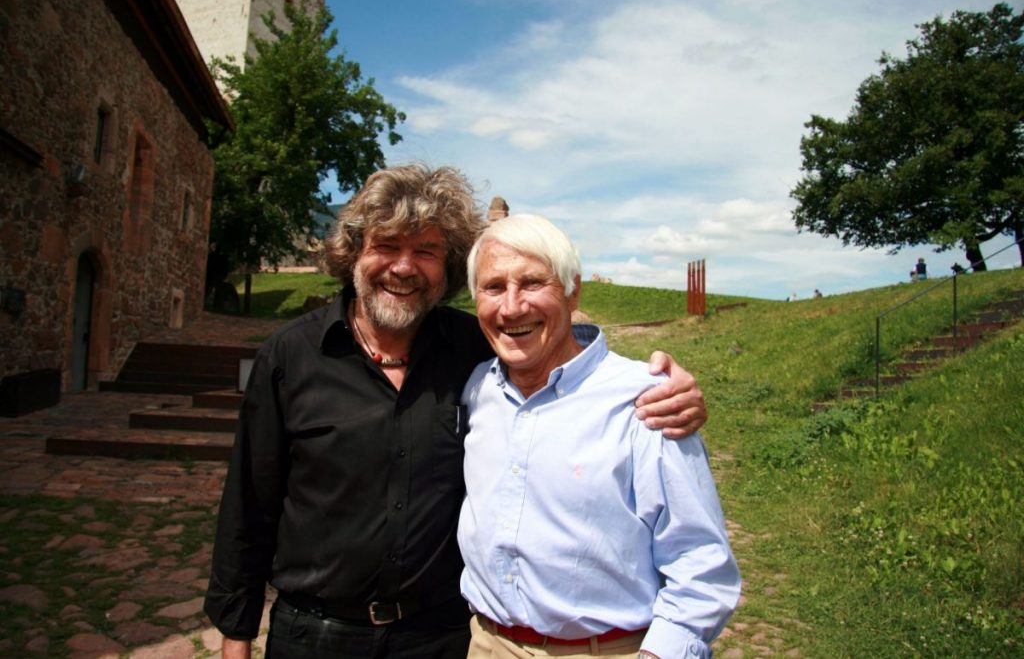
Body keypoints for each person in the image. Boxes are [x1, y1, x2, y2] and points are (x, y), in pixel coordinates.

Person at [203, 164, 709, 659]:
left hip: (440, 636)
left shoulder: (476, 352)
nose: (404, 267)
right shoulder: (292, 356)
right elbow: (250, 502)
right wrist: (237, 633)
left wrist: (668, 385)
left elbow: (553, 354)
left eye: (425, 250)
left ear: (446, 269)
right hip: (315, 635)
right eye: (386, 246)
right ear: (354, 253)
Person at [458, 215, 740, 659]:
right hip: (485, 644)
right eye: (493, 287)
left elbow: (700, 561)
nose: (511, 307)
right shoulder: (477, 387)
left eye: (532, 283)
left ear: (573, 291)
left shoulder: (646, 400)